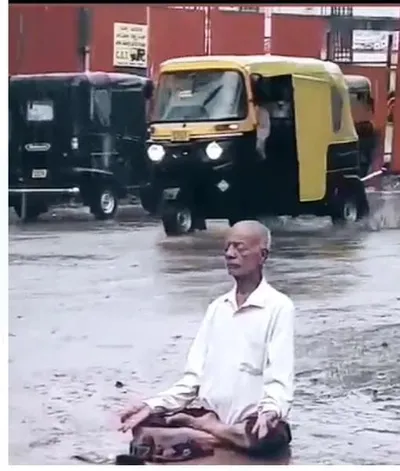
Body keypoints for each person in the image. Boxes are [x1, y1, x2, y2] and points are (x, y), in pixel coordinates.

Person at [118, 220, 295, 463]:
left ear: (262, 255)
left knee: (271, 435)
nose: (230, 254)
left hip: (250, 421)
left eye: (240, 248)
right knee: (146, 423)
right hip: (209, 414)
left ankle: (208, 432)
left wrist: (270, 411)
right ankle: (212, 431)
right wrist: (152, 405)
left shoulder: (279, 307)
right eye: (227, 248)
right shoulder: (217, 308)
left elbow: (280, 378)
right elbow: (192, 380)